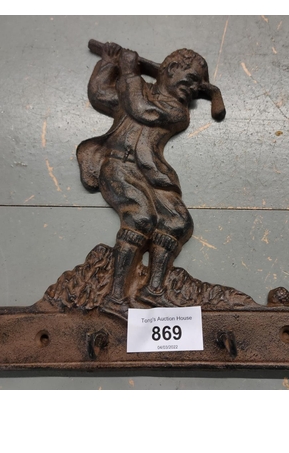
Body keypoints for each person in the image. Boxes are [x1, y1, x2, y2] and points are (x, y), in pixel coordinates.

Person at [77, 42, 223, 316]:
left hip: (152, 173)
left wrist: (129, 72)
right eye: (190, 79)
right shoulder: (132, 91)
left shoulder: (177, 111)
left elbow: (141, 109)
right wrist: (108, 62)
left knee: (178, 221)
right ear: (170, 69)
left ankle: (153, 290)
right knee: (140, 217)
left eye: (198, 86)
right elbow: (99, 94)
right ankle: (116, 297)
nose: (193, 89)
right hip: (119, 166)